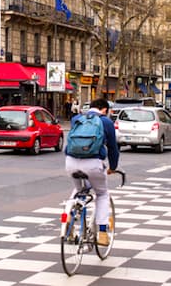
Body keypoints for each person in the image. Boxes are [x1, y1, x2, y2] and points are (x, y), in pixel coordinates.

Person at [64, 97, 119, 246]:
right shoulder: (106, 122)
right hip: (93, 163)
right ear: (104, 109)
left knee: (78, 189)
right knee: (102, 194)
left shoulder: (77, 118)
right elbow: (113, 148)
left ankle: (69, 214)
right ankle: (102, 232)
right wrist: (112, 167)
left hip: (71, 161)